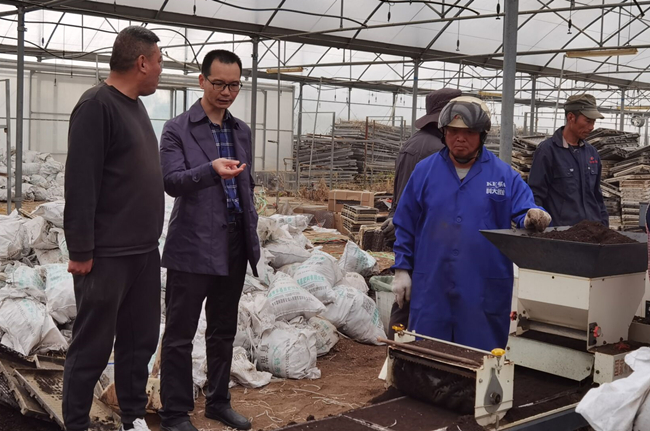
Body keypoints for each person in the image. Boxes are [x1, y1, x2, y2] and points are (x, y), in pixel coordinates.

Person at [62, 26, 164, 431]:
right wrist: (81, 251)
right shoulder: (96, 106)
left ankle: (133, 417)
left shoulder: (135, 107)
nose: (161, 69)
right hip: (107, 255)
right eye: (159, 61)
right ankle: (76, 423)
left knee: (140, 341)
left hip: (142, 251)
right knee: (92, 345)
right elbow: (80, 182)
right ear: (141, 63)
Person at [391, 96, 551, 351]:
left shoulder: (503, 175)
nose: (460, 138)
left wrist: (534, 215)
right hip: (433, 284)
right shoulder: (424, 172)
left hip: (482, 288)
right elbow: (405, 222)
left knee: (479, 357)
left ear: (482, 135)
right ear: (444, 133)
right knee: (429, 353)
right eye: (453, 131)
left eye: (469, 132)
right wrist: (401, 269)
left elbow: (525, 210)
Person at [158, 50, 260, 431]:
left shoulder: (241, 131)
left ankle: (218, 401)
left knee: (223, 329)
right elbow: (172, 181)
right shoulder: (177, 129)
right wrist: (211, 170)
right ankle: (174, 413)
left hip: (234, 241)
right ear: (202, 81)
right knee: (180, 333)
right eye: (219, 84)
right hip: (193, 244)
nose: (227, 92)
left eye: (234, 85)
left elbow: (246, 184)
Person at [380, 88, 461, 339]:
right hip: (424, 234)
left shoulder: (413, 143)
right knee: (414, 301)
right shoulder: (438, 150)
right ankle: (403, 351)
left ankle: (397, 349)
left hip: (408, 231)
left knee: (405, 299)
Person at [528, 94, 608, 227]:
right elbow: (536, 195)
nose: (592, 127)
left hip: (593, 231)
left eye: (593, 122)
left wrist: (604, 227)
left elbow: (597, 196)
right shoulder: (548, 151)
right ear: (571, 117)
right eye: (588, 121)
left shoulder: (591, 153)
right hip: (562, 233)